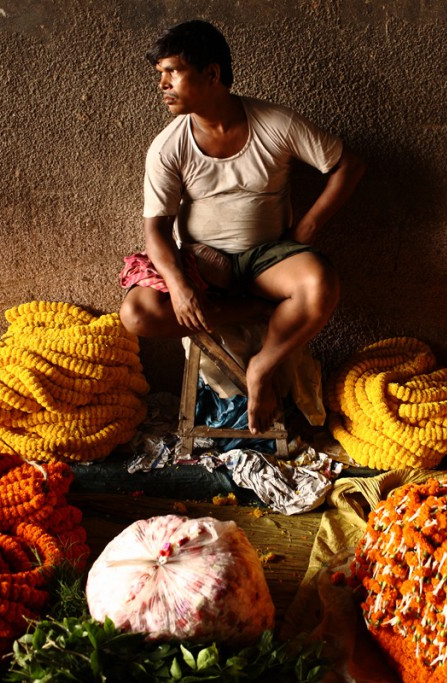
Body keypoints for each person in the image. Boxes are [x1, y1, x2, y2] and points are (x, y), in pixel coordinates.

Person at [119, 19, 365, 436]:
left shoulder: (276, 123)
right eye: (159, 74)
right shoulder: (168, 145)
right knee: (137, 314)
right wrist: (180, 287)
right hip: (202, 261)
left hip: (267, 257)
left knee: (320, 282)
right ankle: (256, 310)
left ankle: (261, 370)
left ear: (212, 74)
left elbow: (348, 165)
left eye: (172, 72)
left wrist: (308, 224)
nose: (162, 84)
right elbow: (156, 232)